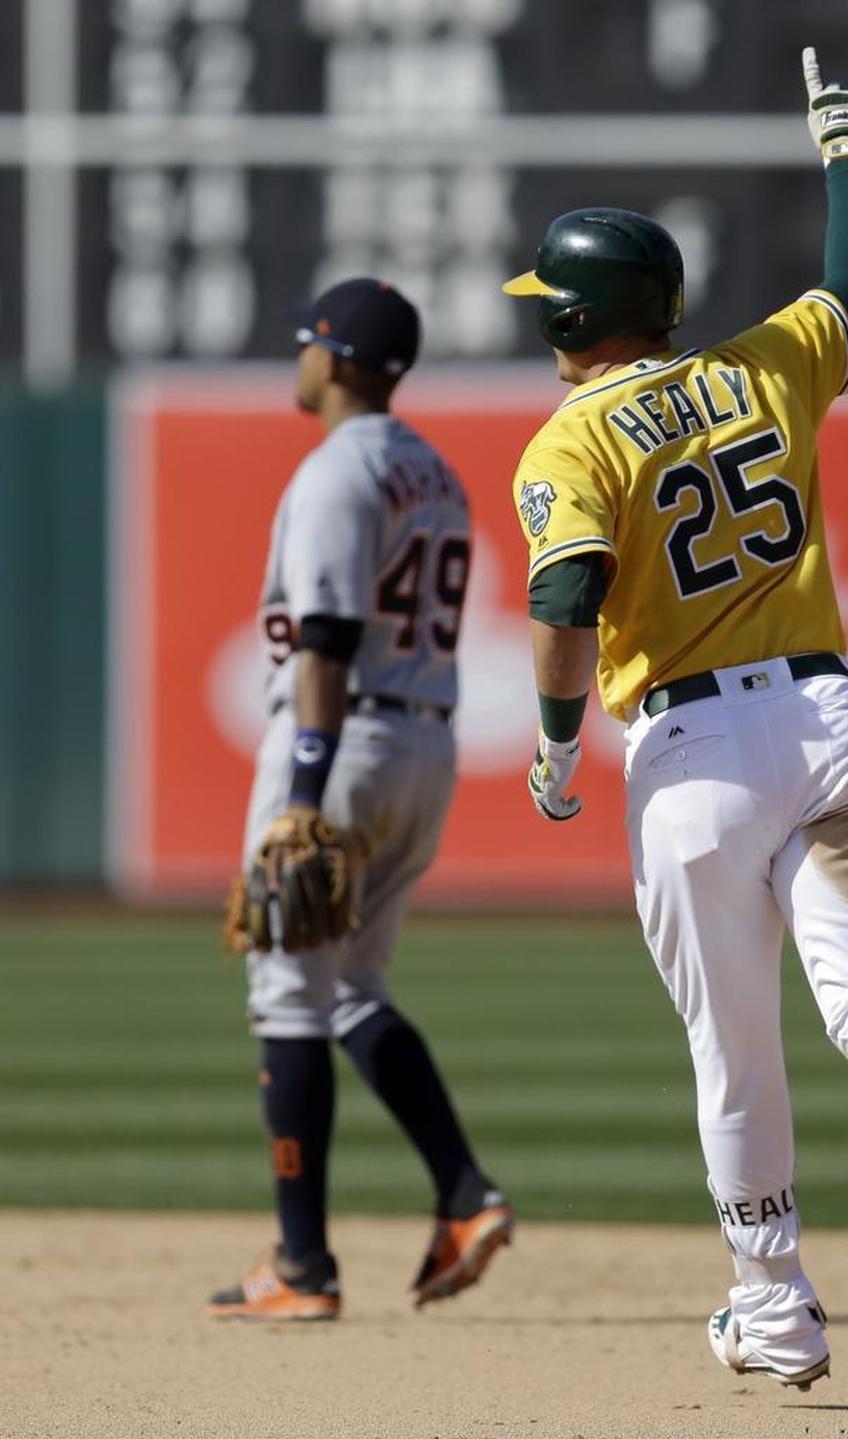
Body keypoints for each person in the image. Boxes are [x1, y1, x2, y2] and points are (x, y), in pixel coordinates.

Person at [501, 49, 848, 1388]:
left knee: (733, 1053)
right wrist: (847, 149)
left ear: (570, 323)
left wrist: (559, 740)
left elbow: (567, 590)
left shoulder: (570, 442)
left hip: (696, 761)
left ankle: (777, 1309)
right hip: (837, 719)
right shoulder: (763, 368)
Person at [208, 277, 513, 1320]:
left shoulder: (339, 470)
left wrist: (300, 786)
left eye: (305, 346)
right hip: (425, 742)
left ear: (334, 359)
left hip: (339, 744)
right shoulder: (433, 469)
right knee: (351, 988)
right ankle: (465, 1193)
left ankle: (302, 1265)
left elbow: (328, 635)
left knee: (288, 997)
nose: (298, 361)